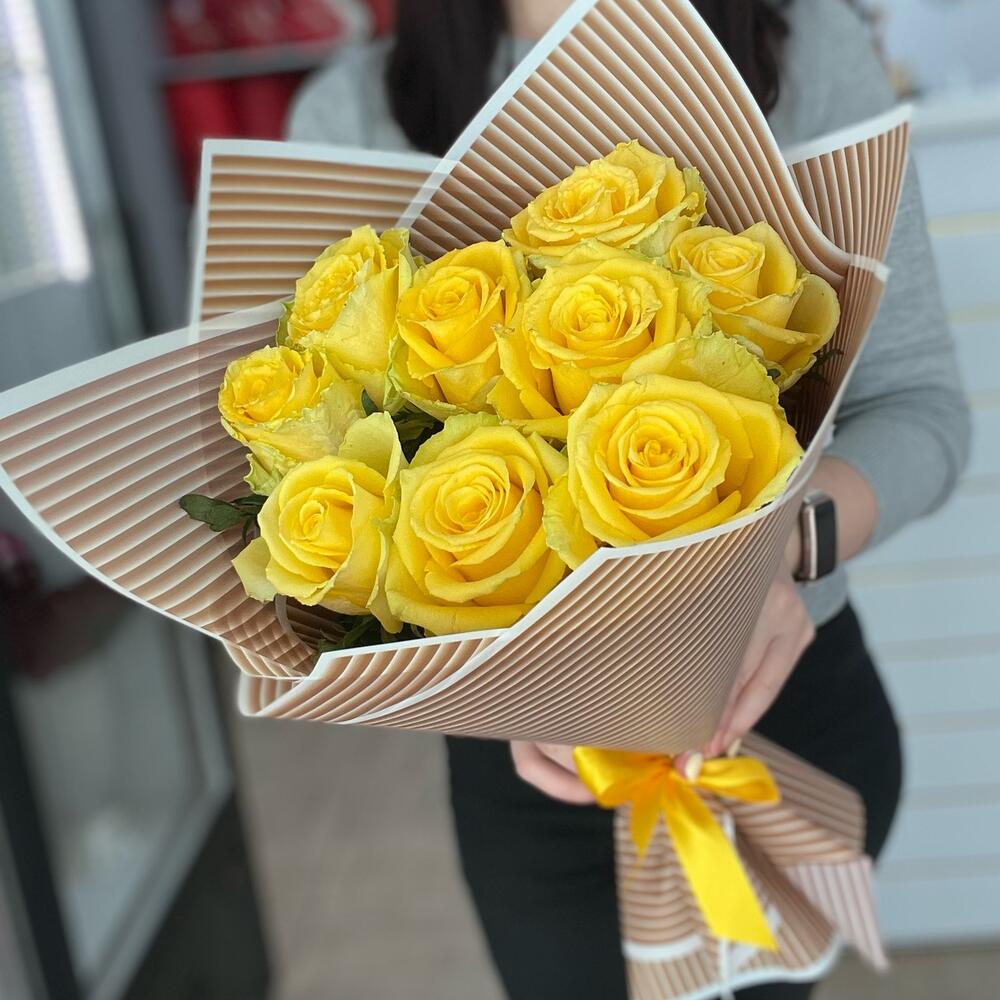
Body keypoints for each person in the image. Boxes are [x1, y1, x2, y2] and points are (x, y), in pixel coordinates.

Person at [289, 2, 971, 997]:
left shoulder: (802, 44)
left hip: (784, 714)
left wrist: (773, 554)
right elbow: (321, 488)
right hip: (538, 775)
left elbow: (924, 413)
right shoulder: (348, 116)